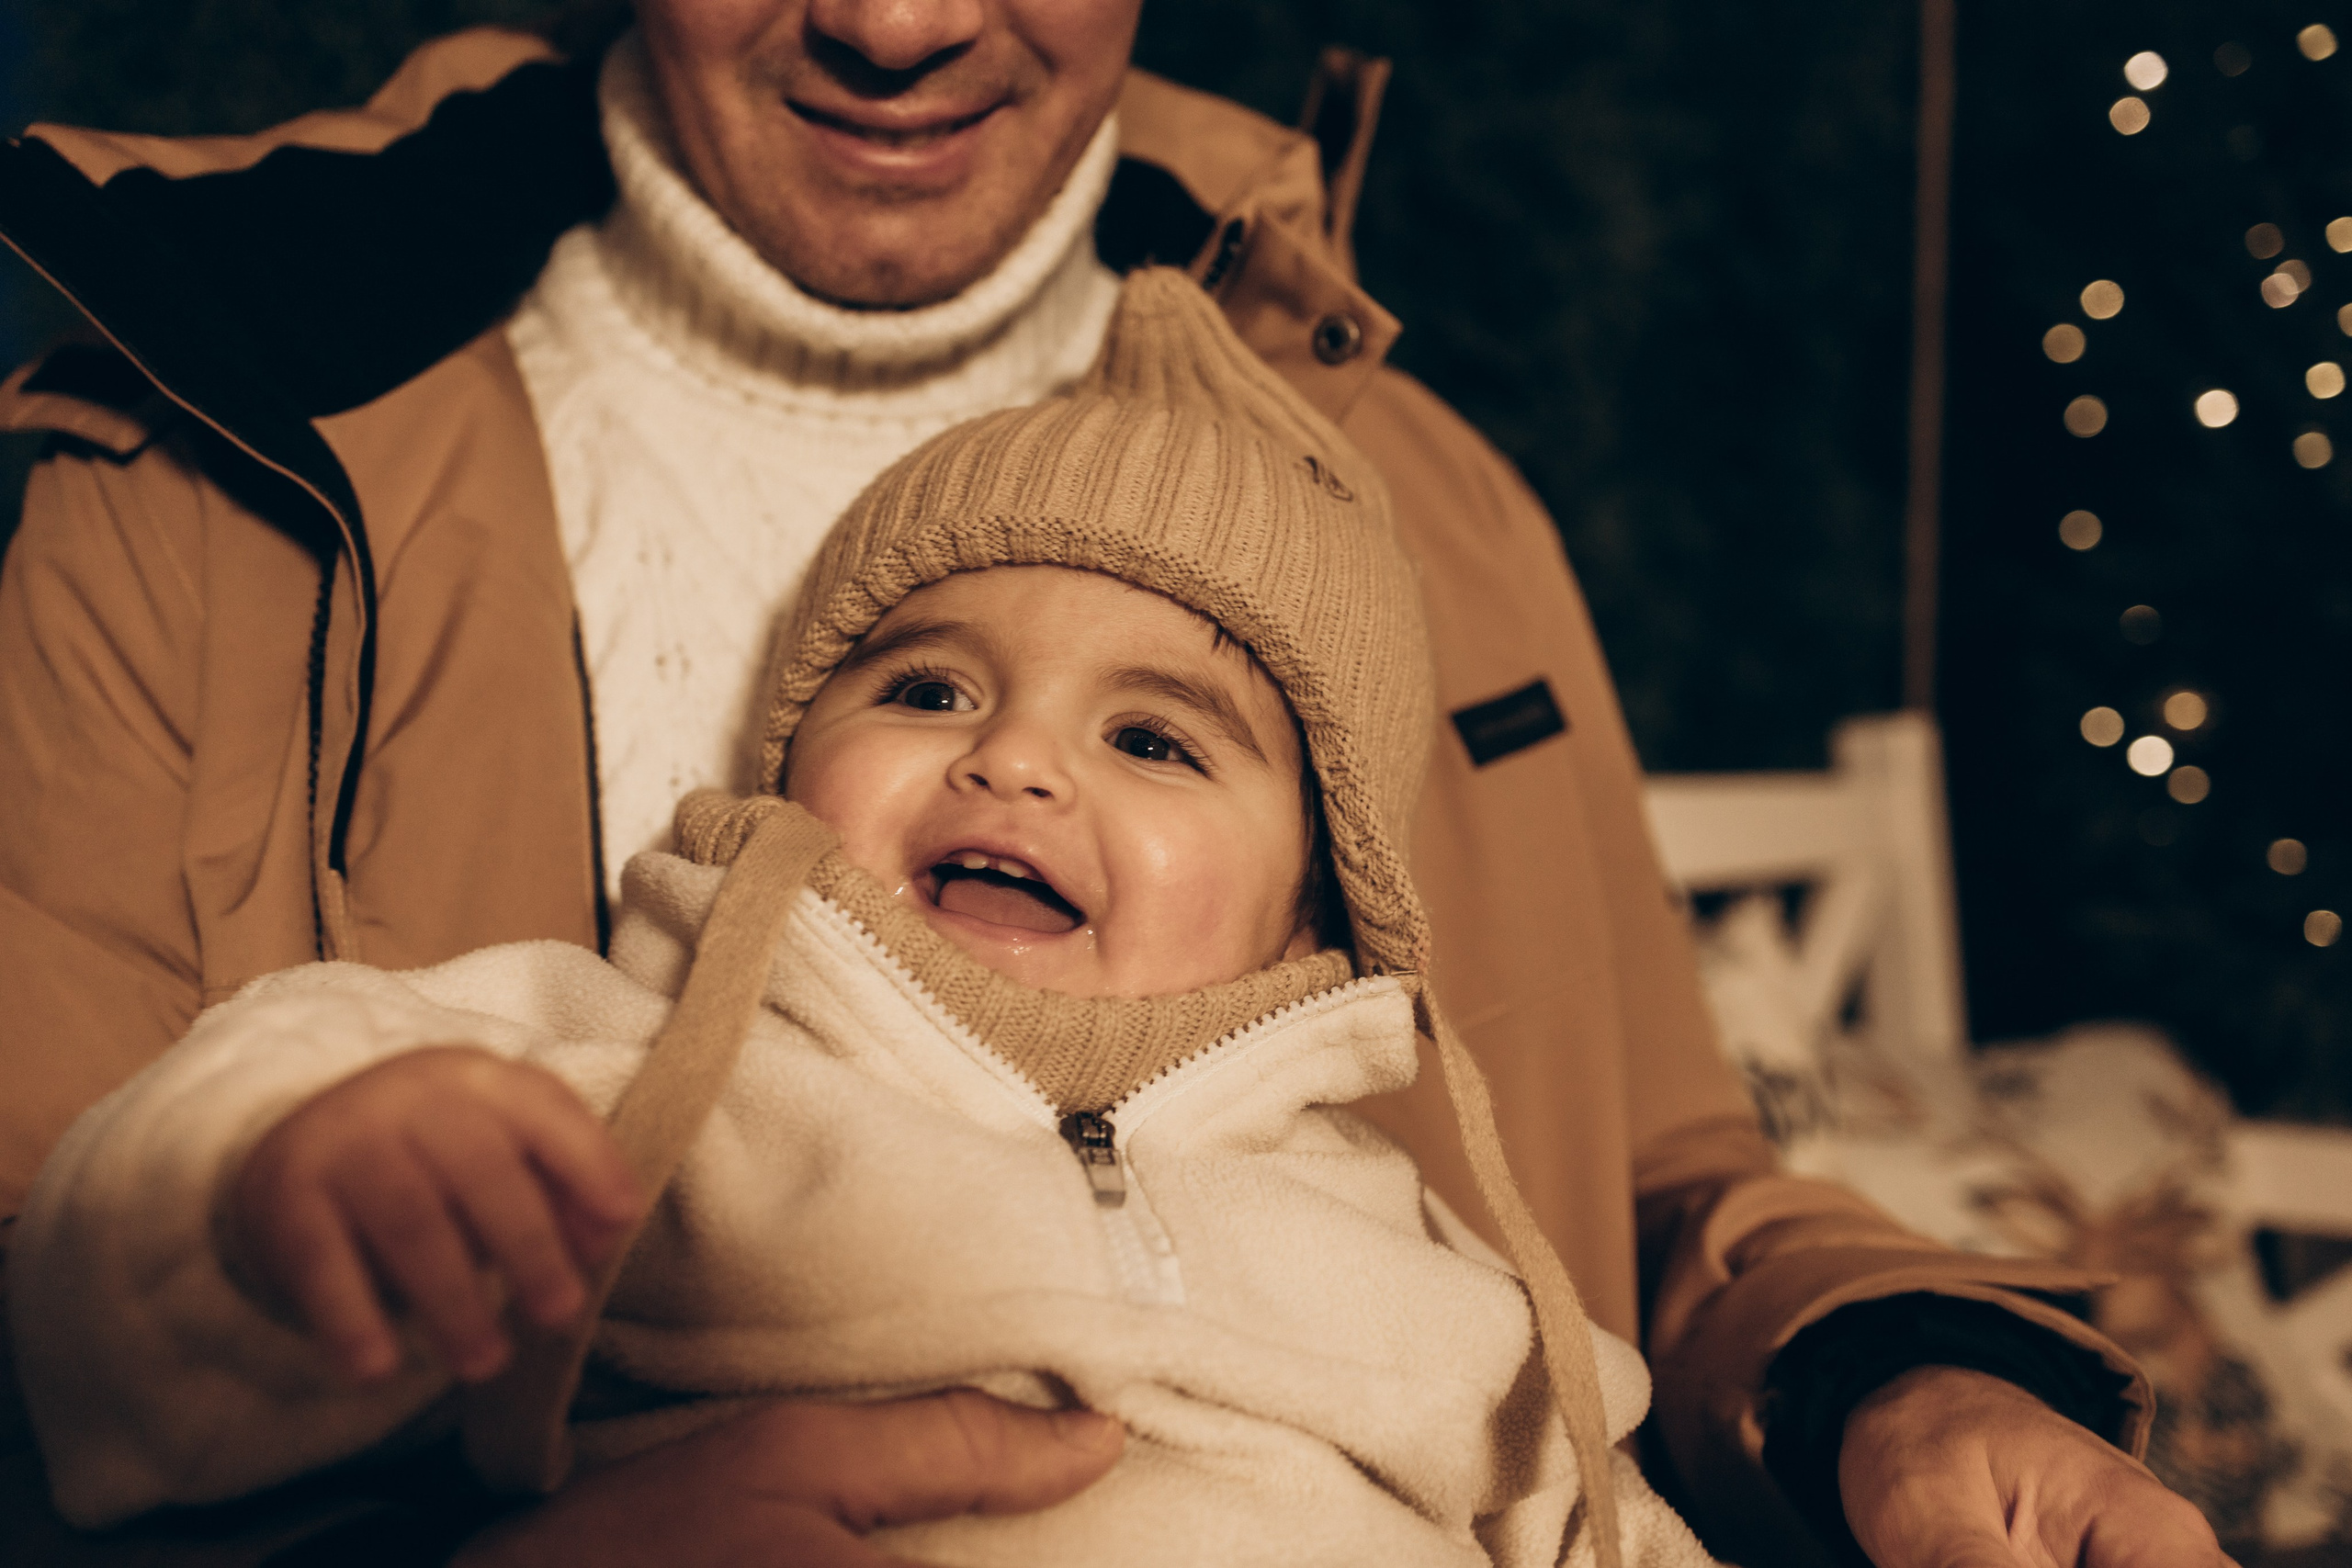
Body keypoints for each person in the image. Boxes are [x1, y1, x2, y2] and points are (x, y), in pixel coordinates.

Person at [0, 3, 2225, 1563]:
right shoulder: (206, 443)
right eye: (917, 688)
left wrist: (1892, 1392)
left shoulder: (1408, 500)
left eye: (1155, 736)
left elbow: (1630, 1209)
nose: (893, 15)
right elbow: (111, 1253)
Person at [14, 269, 1719, 1568]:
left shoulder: (1426, 1258)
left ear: (1312, 918)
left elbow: (1606, 1524)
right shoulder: (614, 1075)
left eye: (1151, 738)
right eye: (923, 685)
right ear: (785, 765)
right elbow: (135, 1345)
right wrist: (269, 1204)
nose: (1017, 762)